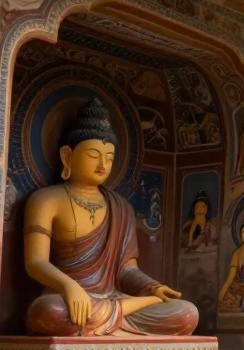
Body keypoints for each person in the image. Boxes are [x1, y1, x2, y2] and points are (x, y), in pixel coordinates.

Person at [23, 101, 197, 336]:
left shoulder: (121, 207)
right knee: (45, 312)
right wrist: (69, 286)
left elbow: (126, 271)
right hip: (68, 299)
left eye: (109, 157)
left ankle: (113, 320)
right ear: (67, 156)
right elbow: (36, 262)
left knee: (187, 313)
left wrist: (153, 289)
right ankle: (120, 321)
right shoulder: (46, 200)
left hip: (109, 299)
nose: (102, 165)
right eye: (93, 155)